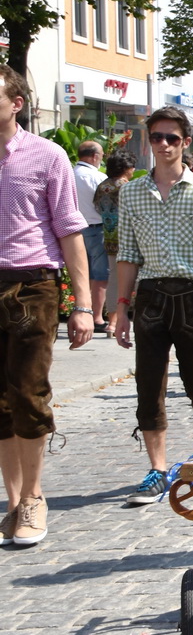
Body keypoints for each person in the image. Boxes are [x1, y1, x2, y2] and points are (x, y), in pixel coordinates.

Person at [112, 106, 193, 507]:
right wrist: (121, 307)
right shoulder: (132, 192)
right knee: (149, 385)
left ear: (186, 142)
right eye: (156, 137)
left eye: (172, 138)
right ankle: (158, 469)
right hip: (151, 297)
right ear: (149, 141)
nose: (163, 144)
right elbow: (128, 254)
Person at [0, 67, 94, 549]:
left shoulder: (47, 154)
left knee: (28, 392)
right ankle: (14, 501)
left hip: (32, 284)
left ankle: (34, 497)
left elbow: (69, 230)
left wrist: (82, 304)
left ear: (16, 103)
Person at [72, 140, 109, 336]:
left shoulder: (69, 174)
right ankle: (96, 317)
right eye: (101, 155)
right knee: (100, 275)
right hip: (96, 228)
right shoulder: (98, 177)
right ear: (95, 156)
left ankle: (80, 311)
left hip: (74, 232)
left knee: (80, 273)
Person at [93, 153, 131, 332]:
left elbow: (97, 207)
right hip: (129, 238)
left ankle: (112, 322)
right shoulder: (127, 187)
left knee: (114, 278)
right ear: (125, 168)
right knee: (135, 278)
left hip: (109, 236)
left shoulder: (102, 186)